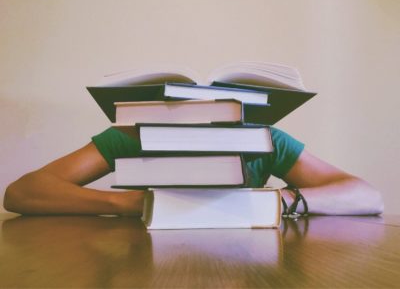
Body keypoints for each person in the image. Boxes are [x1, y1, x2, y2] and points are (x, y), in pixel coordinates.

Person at [3, 126, 384, 216]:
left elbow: (367, 195)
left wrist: (283, 200)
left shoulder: (262, 139)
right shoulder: (134, 134)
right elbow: (22, 192)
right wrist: (135, 204)